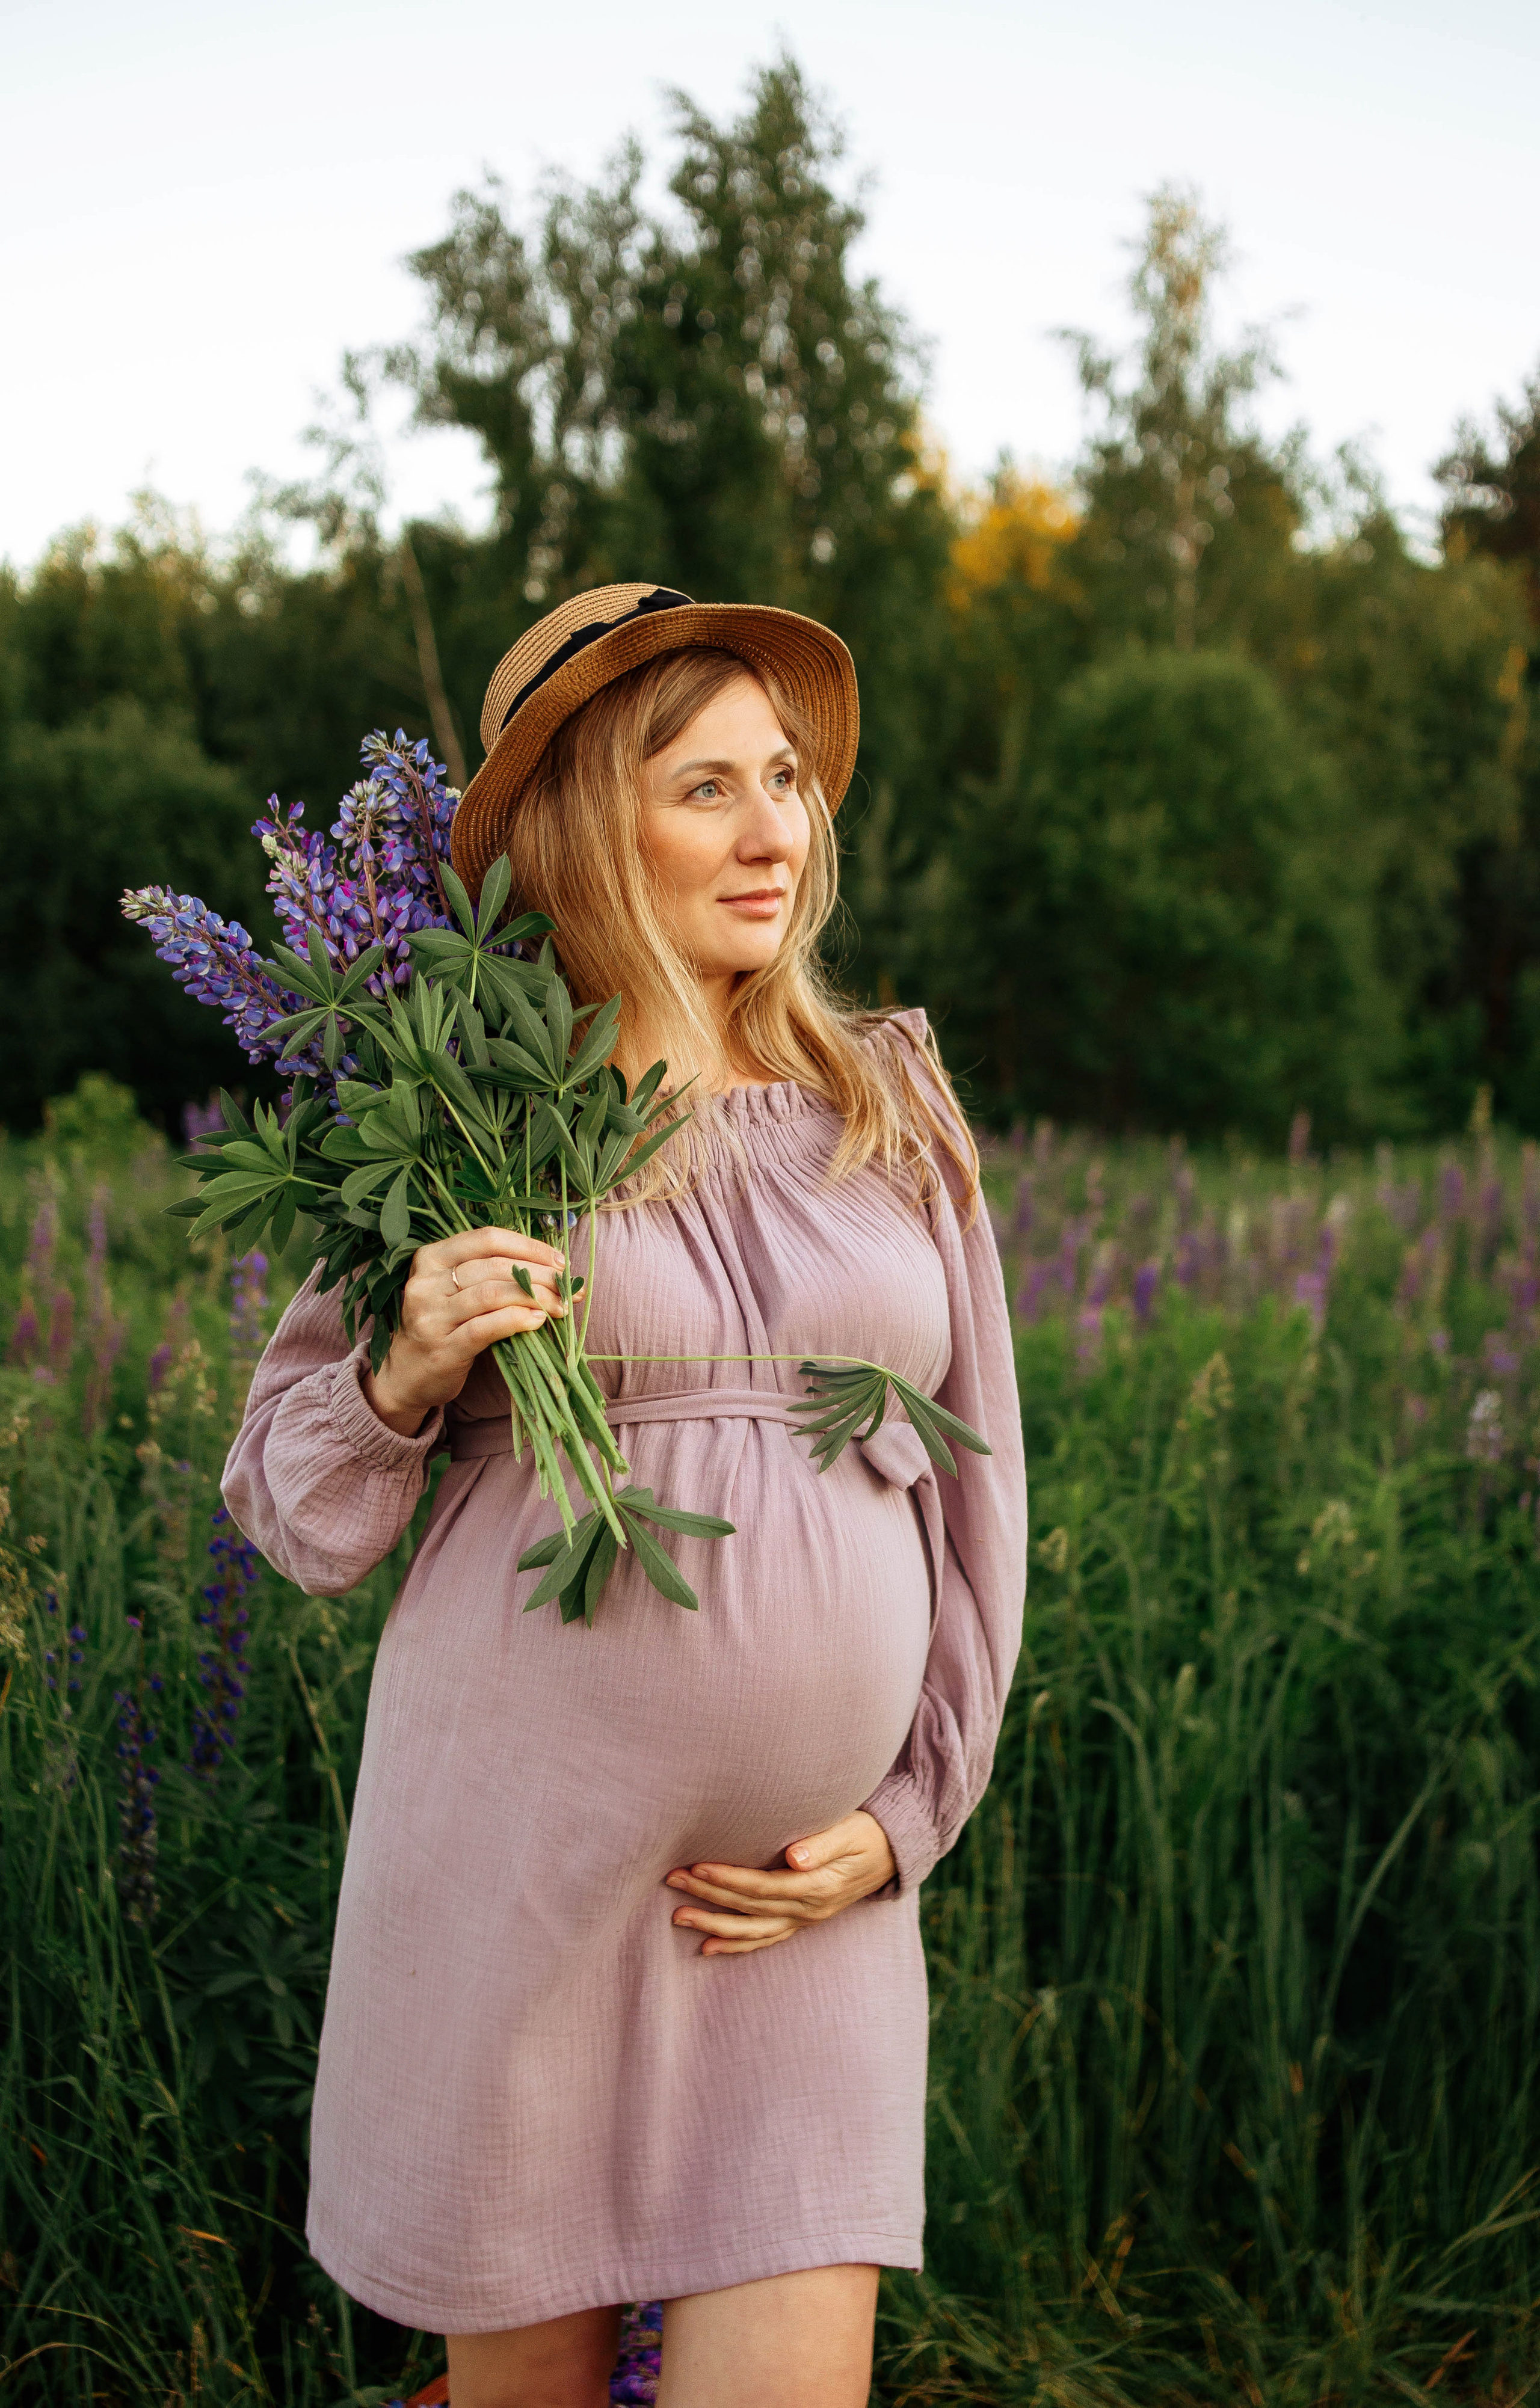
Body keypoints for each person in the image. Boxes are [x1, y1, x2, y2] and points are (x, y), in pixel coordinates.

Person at [223, 583, 1027, 2408]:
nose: (775, 832)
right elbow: (293, 1508)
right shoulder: (466, 1120)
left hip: (798, 1908)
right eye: (707, 788)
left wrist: (911, 1813)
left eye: (788, 779)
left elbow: (979, 1490)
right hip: (522, 1877)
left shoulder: (882, 1099)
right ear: (594, 825)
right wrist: (403, 1367)